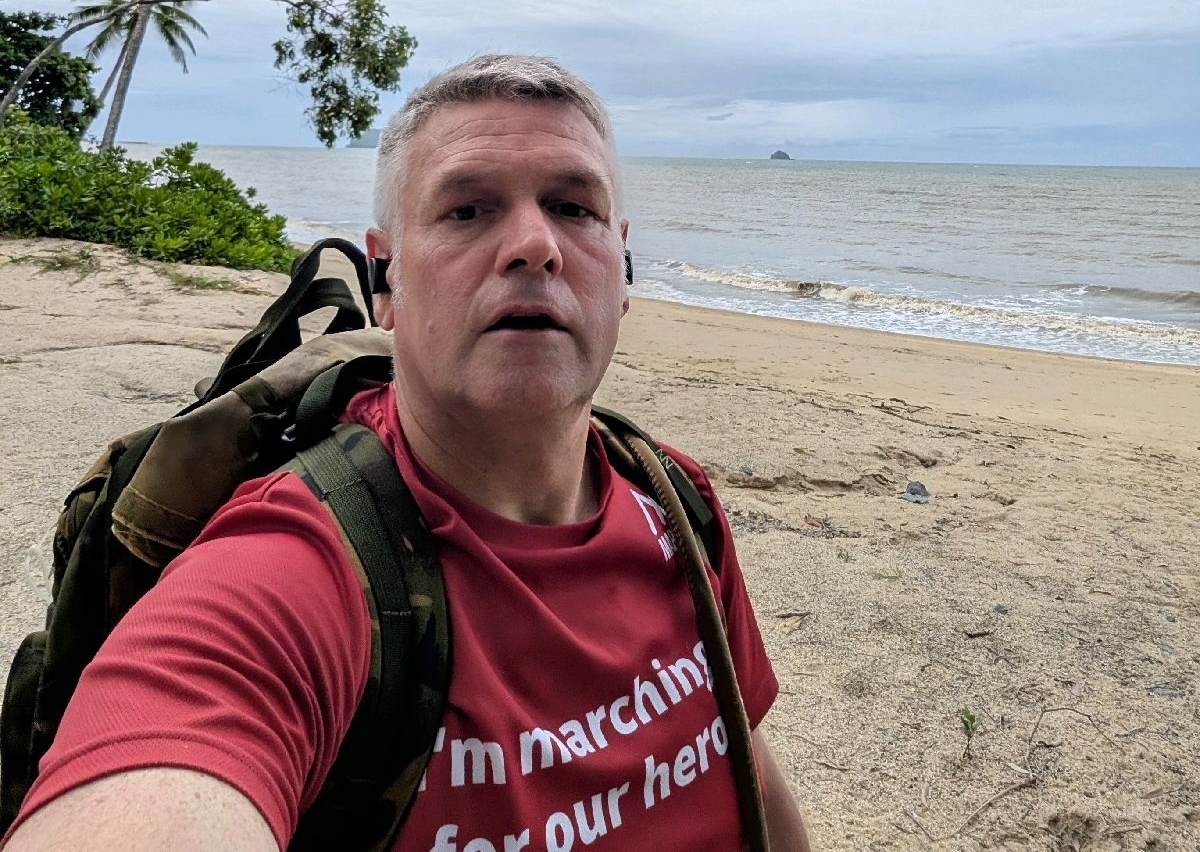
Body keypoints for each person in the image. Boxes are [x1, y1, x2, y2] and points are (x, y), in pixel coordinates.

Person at [6, 54, 811, 852]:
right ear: (384, 280)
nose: (536, 245)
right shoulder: (292, 573)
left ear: (622, 267)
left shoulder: (674, 498)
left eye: (573, 208)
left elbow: (746, 765)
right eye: (467, 211)